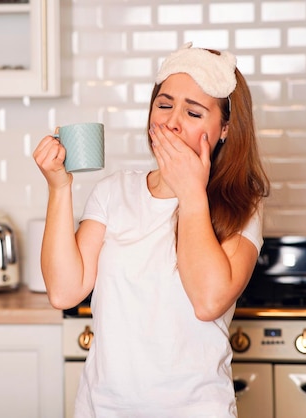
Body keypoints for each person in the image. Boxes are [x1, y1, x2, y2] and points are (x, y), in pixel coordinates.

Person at [33, 42, 270, 417]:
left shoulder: (242, 204)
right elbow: (64, 291)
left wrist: (192, 193)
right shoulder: (113, 192)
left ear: (224, 128)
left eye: (193, 112)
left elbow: (208, 302)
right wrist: (59, 187)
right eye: (164, 105)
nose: (171, 121)